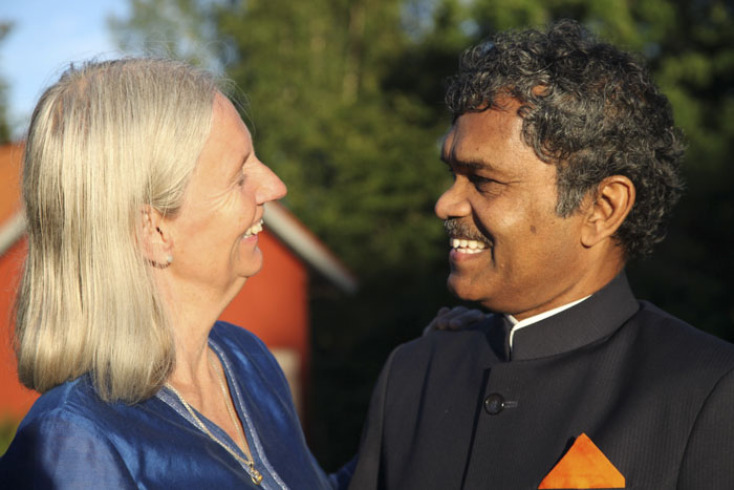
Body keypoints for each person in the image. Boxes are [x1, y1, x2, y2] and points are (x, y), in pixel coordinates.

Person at [348, 20, 734, 489]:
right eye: (453, 175)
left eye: (484, 181)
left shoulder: (708, 392)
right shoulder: (413, 374)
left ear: (602, 208)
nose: (445, 204)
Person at [0, 58, 348, 489]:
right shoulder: (75, 445)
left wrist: (419, 383)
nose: (275, 186)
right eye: (239, 176)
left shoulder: (246, 360)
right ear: (154, 231)